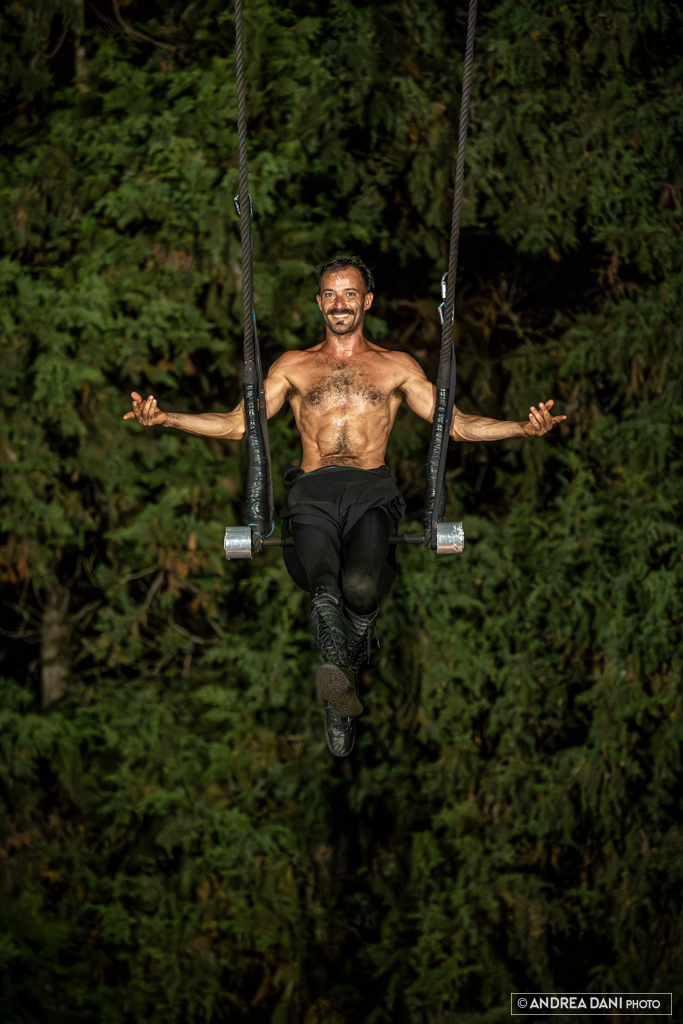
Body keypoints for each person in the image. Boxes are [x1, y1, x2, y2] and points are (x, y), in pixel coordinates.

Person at [124, 255, 566, 757]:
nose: (339, 304)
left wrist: (521, 428)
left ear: (366, 301)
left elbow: (456, 424)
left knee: (359, 587)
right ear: (319, 302)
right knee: (324, 585)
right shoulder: (293, 366)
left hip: (371, 491)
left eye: (349, 294)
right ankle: (338, 698)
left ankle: (341, 684)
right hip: (312, 492)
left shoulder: (396, 367)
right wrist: (166, 419)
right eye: (330, 295)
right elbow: (237, 424)